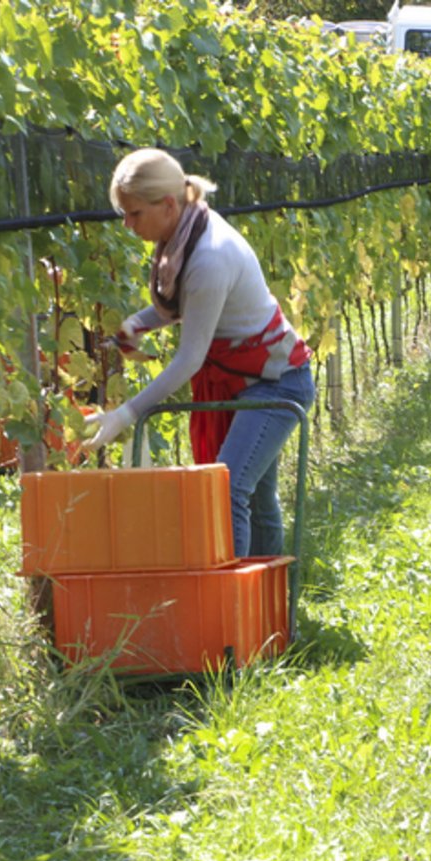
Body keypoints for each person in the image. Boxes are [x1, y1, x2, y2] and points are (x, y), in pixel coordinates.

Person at [83, 148, 315, 558]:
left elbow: (190, 358)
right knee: (257, 499)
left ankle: (235, 607)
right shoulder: (188, 231)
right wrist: (138, 324)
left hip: (276, 383)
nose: (126, 224)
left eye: (134, 213)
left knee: (228, 489)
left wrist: (126, 414)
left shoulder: (208, 256)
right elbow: (182, 306)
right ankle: (268, 607)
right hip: (248, 380)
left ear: (168, 205)